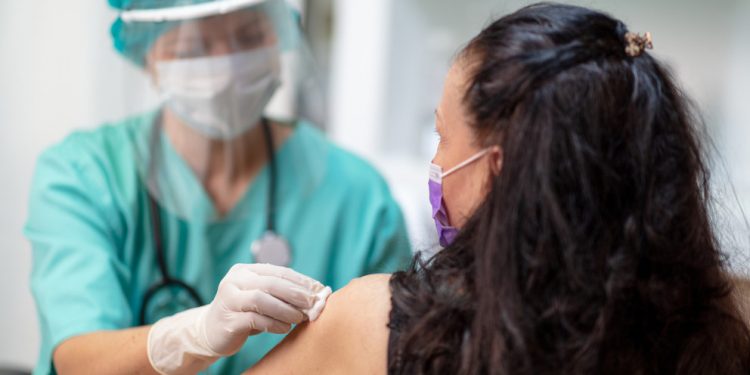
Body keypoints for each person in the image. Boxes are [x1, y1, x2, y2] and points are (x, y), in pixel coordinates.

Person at [234, 3, 750, 374]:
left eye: (442, 137)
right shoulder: (720, 334)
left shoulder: (380, 327)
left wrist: (181, 341)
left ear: (497, 168)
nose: (435, 163)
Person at [24, 0, 411, 374]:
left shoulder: (358, 195)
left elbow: (392, 351)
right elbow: (78, 361)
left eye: (249, 36)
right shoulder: (85, 174)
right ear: (148, 58)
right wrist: (192, 336)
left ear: (280, 36)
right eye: (192, 47)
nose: (226, 65)